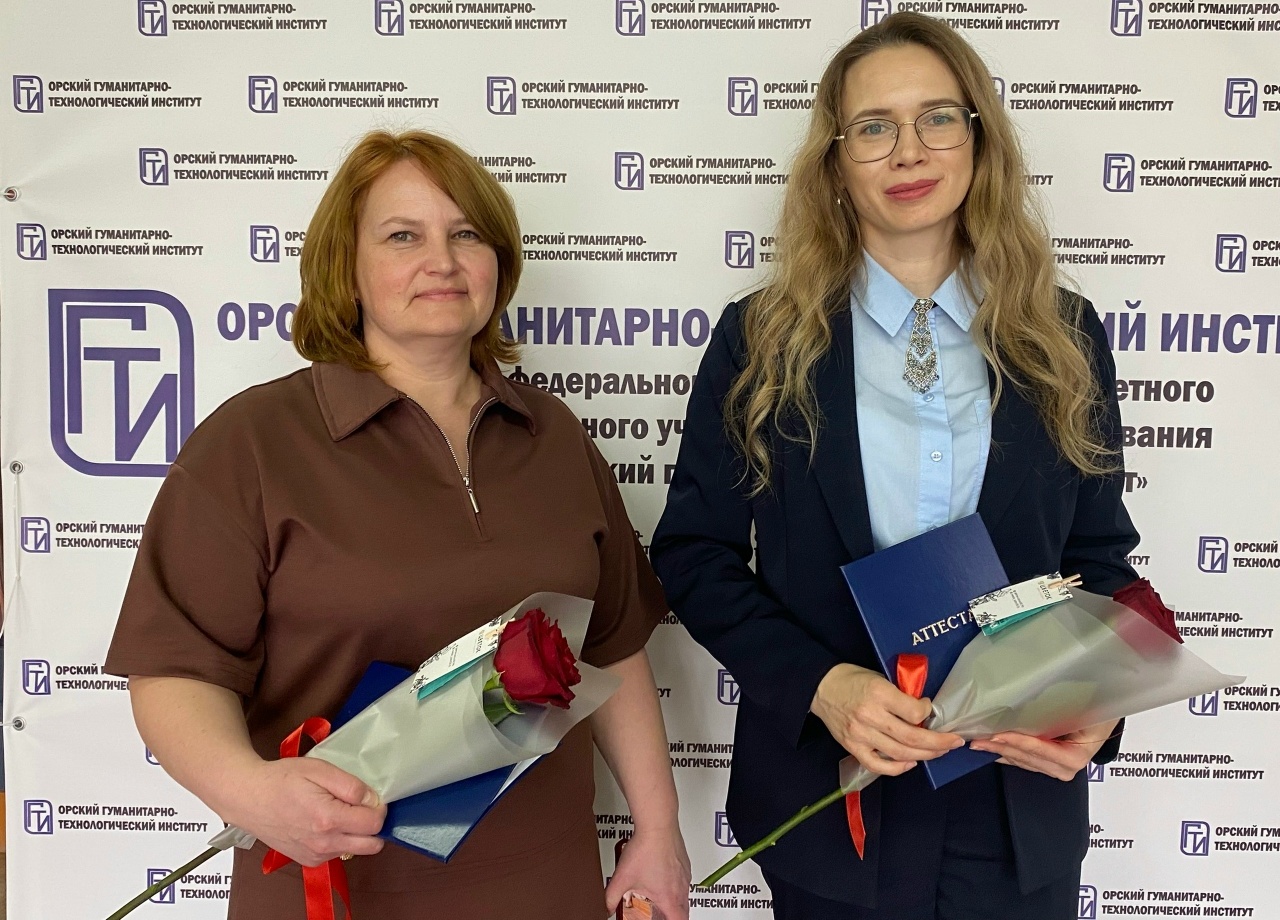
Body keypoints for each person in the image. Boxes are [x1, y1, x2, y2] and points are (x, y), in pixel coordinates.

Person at [104, 129, 690, 920]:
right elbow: (175, 671)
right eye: (403, 236)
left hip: (543, 880)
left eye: (466, 234)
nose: (441, 261)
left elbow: (611, 645)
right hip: (338, 885)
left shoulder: (553, 435)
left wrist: (657, 831)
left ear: (498, 261)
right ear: (345, 267)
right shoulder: (253, 443)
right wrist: (250, 791)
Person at [651, 12, 1138, 920]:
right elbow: (694, 555)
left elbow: (1098, 559)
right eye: (874, 127)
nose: (909, 150)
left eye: (938, 118)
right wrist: (825, 688)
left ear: (979, 139)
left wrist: (1095, 705)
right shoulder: (759, 342)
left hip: (1015, 801)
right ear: (836, 163)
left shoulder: (1064, 336)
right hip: (832, 797)